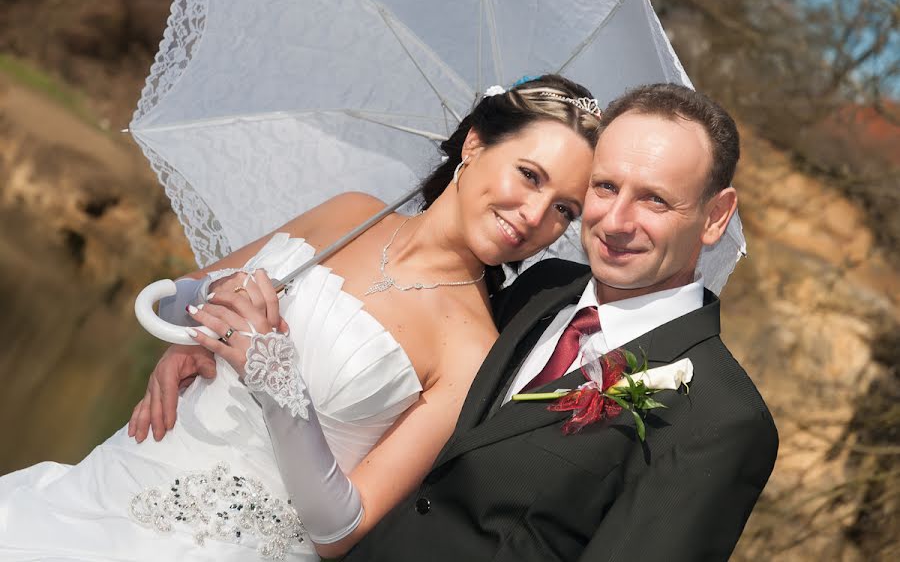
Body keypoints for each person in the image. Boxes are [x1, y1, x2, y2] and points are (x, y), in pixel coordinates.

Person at [0, 75, 603, 561]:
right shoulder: (352, 213)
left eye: (563, 210)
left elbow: (342, 529)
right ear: (475, 143)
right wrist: (197, 330)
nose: (534, 216)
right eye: (529, 176)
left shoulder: (473, 352)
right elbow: (180, 295)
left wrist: (277, 379)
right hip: (121, 471)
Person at [339, 83, 779, 561]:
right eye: (606, 186)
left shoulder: (721, 418)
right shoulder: (538, 287)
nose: (616, 222)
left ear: (715, 216)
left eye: (654, 200)